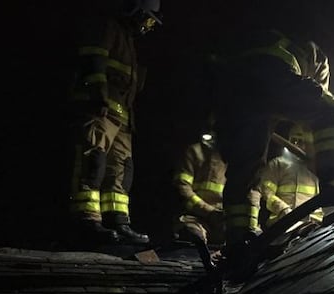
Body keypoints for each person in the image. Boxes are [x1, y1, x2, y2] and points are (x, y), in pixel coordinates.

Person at [214, 29, 334, 277]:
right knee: (331, 110)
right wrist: (319, 157)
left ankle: (239, 242)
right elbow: (316, 104)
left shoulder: (268, 44)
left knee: (244, 168)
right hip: (271, 79)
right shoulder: (315, 57)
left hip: (232, 94)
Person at [66, 0, 162, 246]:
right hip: (101, 107)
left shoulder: (128, 40)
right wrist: (98, 93)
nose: (147, 26)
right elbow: (94, 59)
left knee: (120, 168)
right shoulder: (107, 28)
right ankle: (86, 219)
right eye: (148, 19)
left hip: (121, 116)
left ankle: (117, 220)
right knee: (93, 159)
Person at [259, 122, 322, 228]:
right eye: (294, 140)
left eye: (301, 141)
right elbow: (267, 193)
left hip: (309, 229)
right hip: (280, 225)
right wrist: (283, 209)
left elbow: (320, 200)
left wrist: (316, 220)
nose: (297, 144)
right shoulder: (278, 164)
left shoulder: (314, 169)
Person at [173, 132, 228, 246]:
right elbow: (182, 188)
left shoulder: (235, 157)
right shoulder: (195, 151)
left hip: (223, 220)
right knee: (194, 237)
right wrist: (209, 211)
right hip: (195, 217)